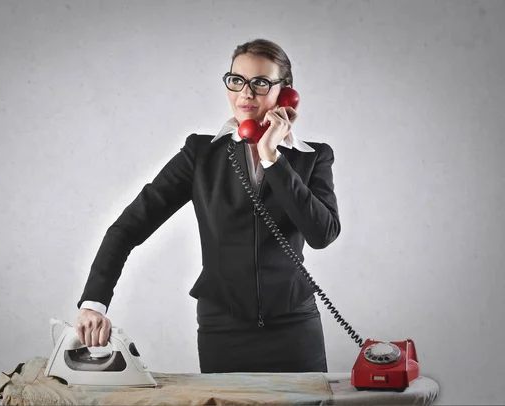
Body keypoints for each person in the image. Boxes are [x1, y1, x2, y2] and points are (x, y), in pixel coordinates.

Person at [75, 38, 341, 373]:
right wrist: (93, 303)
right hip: (223, 328)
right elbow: (128, 227)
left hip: (295, 325)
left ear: (286, 92)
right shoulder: (201, 154)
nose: (246, 93)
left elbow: (322, 233)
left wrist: (273, 156)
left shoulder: (313, 157)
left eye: (260, 83)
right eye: (237, 81)